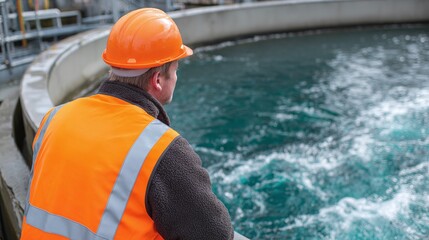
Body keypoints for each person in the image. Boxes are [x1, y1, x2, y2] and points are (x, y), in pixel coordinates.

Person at [20, 8, 234, 239]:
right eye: (175, 69)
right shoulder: (162, 149)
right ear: (158, 79)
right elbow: (216, 234)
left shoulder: (54, 118)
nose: (177, 76)